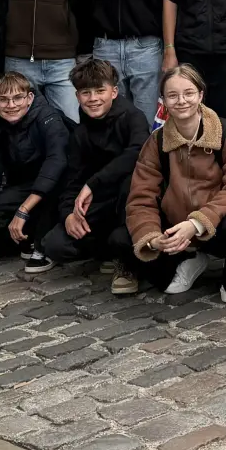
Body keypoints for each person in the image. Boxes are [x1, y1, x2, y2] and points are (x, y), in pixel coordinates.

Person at [125, 65, 226, 301]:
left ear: (201, 95)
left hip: (217, 225)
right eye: (172, 95)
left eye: (188, 93)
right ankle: (192, 258)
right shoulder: (157, 141)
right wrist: (153, 238)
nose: (181, 101)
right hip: (175, 227)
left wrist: (196, 223)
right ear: (163, 101)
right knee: (147, 267)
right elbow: (141, 197)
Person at [43, 60, 150, 294]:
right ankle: (107, 251)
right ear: (77, 96)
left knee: (129, 182)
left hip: (130, 201)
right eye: (85, 93)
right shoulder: (80, 133)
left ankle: (127, 263)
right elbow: (72, 180)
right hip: (99, 204)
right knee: (55, 245)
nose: (93, 98)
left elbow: (137, 154)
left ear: (114, 91)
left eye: (100, 91)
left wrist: (93, 183)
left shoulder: (133, 118)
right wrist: (68, 215)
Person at [0, 71, 69, 271]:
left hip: (57, 186)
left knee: (53, 189)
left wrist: (23, 210)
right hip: (24, 187)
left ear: (30, 98)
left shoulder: (48, 118)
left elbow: (56, 162)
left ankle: (43, 244)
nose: (11, 105)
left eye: (18, 98)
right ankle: (26, 237)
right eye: (4, 100)